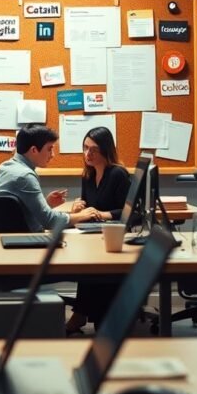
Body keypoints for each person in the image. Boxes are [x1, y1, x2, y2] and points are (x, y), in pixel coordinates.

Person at [67, 127, 131, 334]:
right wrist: (78, 206)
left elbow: (131, 212)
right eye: (85, 148)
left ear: (106, 150)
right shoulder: (88, 175)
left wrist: (104, 214)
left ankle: (84, 314)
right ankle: (82, 312)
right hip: (92, 232)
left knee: (95, 264)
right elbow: (88, 206)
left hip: (112, 233)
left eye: (93, 150)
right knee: (85, 260)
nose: (88, 154)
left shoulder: (118, 174)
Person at [0, 123, 97, 231]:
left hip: (5, 238)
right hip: (25, 240)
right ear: (34, 150)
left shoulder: (5, 167)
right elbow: (50, 221)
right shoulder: (25, 176)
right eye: (49, 149)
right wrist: (82, 215)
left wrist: (47, 204)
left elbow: (17, 213)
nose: (52, 155)